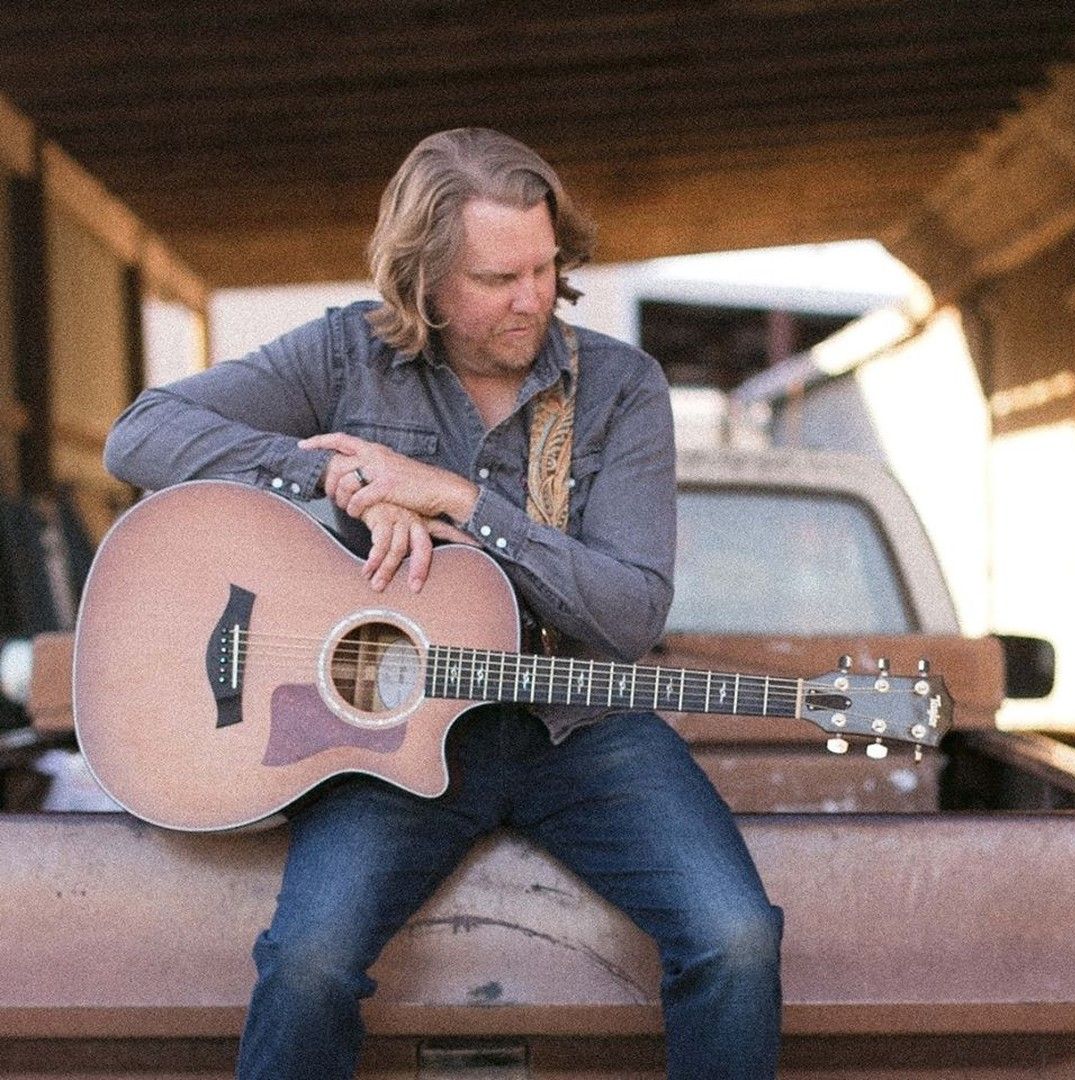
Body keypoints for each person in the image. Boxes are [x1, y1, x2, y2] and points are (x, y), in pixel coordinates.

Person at [104, 128, 782, 1079]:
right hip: (386, 733)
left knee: (738, 940)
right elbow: (140, 434)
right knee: (307, 966)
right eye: (499, 277)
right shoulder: (348, 352)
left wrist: (459, 500)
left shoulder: (621, 389)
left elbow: (631, 614)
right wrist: (333, 480)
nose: (534, 297)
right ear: (422, 284)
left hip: (576, 723)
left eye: (547, 266)